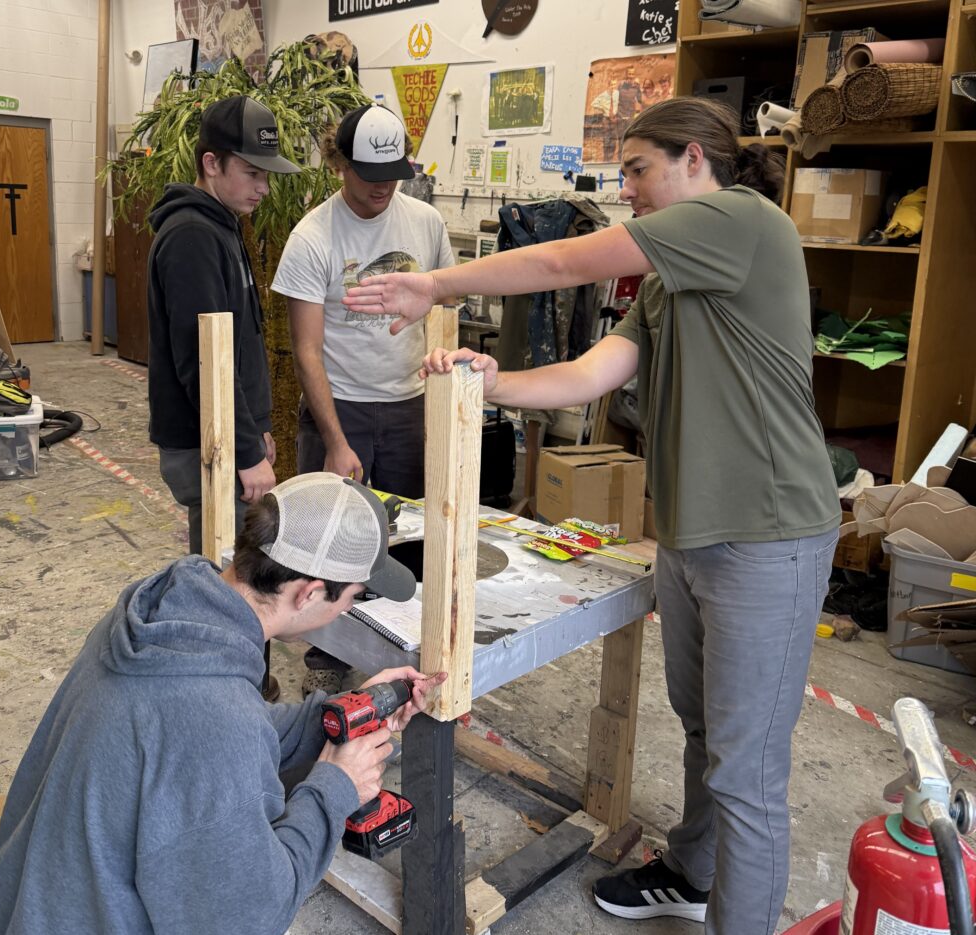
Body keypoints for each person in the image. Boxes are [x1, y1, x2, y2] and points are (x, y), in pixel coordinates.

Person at [343, 97, 841, 935]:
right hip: (692, 535)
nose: (629, 191)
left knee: (746, 772)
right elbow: (589, 371)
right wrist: (489, 379)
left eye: (639, 170)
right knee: (703, 729)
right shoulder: (671, 281)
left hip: (770, 535)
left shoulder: (743, 221)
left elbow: (559, 264)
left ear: (694, 160)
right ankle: (692, 869)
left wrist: (437, 283)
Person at [0, 472, 447, 935]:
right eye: (355, 596)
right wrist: (336, 788)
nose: (349, 608)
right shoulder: (216, 721)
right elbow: (249, 915)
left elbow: (228, 730)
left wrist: (350, 709)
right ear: (308, 592)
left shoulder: (163, 618)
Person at [271, 102, 453, 697]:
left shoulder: (425, 223)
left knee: (406, 536)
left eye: (392, 176)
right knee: (330, 538)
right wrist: (336, 439)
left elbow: (446, 304)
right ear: (339, 166)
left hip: (407, 405)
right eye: (369, 175)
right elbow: (306, 350)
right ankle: (326, 661)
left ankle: (400, 651)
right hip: (340, 405)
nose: (382, 188)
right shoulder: (313, 236)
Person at [147, 95, 295, 556]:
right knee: (226, 575)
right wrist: (245, 452)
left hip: (231, 434)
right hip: (208, 443)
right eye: (252, 173)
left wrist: (258, 427)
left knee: (235, 567)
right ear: (211, 163)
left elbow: (241, 341)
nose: (264, 187)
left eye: (266, 175)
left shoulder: (221, 225)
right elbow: (202, 357)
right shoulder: (192, 236)